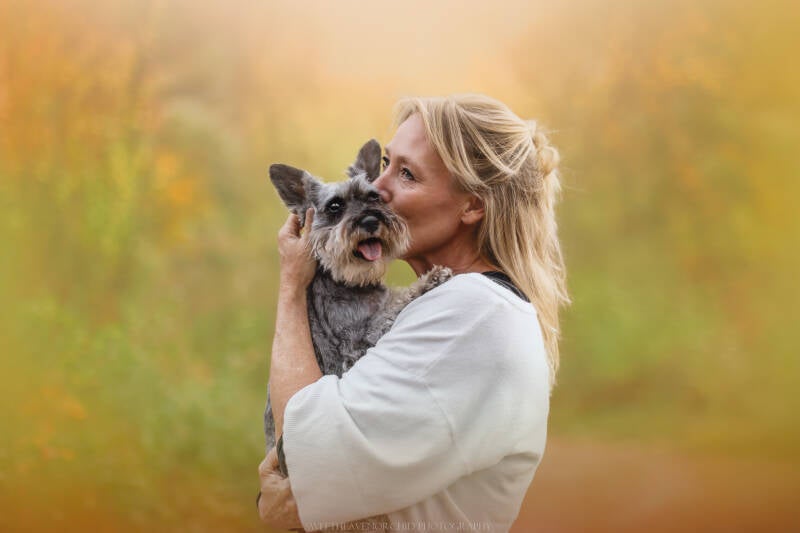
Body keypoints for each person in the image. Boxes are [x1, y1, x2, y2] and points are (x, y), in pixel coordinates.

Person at [258, 94, 569, 532]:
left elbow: (306, 455)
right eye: (386, 163)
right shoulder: (457, 306)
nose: (377, 188)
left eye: (406, 174)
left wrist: (293, 285)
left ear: (472, 206)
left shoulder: (472, 315)